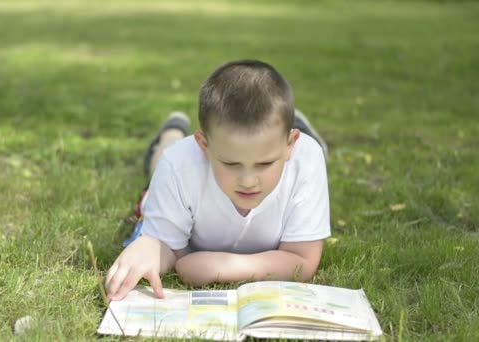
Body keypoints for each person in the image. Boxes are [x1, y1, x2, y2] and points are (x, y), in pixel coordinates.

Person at [106, 60, 331, 301]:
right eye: (231, 164)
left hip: (290, 150)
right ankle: (170, 133)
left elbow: (303, 261)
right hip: (177, 165)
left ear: (290, 145)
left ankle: (303, 130)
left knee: (316, 151)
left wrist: (222, 266)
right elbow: (168, 248)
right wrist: (151, 246)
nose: (248, 181)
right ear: (204, 145)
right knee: (163, 166)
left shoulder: (305, 159)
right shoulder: (178, 166)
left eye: (265, 164)